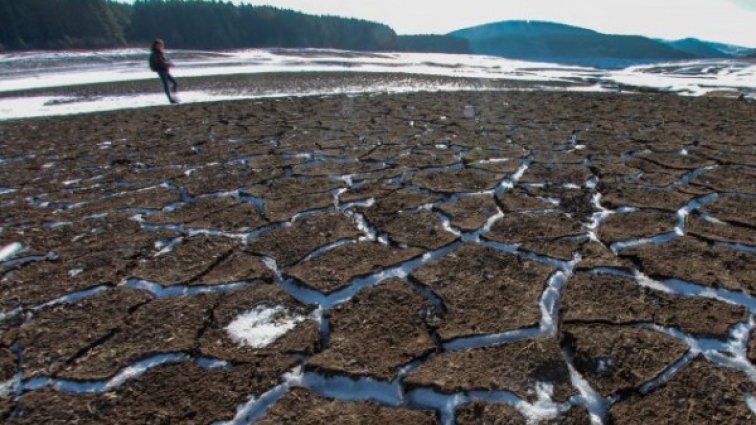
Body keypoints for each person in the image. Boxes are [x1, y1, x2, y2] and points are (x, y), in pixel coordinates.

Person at [149, 39, 179, 104]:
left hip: (164, 70)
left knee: (175, 83)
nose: (160, 46)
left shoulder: (160, 53)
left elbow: (164, 61)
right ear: (155, 46)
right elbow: (160, 63)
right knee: (166, 84)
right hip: (160, 70)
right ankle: (170, 99)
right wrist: (169, 64)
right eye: (159, 45)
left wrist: (169, 63)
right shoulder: (154, 54)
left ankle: (174, 96)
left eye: (161, 45)